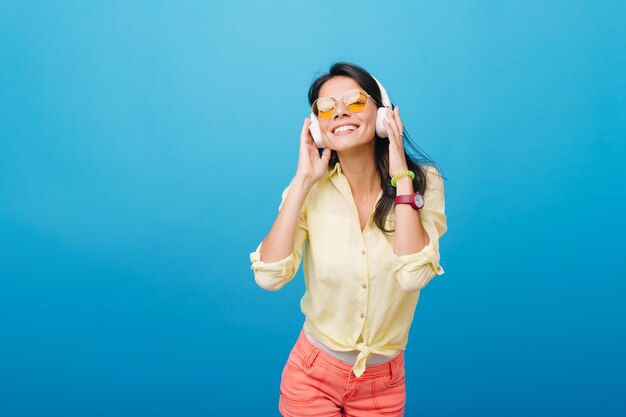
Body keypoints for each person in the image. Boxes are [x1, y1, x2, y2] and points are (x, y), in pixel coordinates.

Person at [249, 62, 447, 417]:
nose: (339, 111)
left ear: (384, 115)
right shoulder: (310, 191)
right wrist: (302, 181)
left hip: (382, 384)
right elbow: (268, 277)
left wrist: (401, 171)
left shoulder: (424, 183)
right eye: (325, 108)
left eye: (355, 101)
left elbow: (412, 275)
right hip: (311, 374)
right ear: (318, 129)